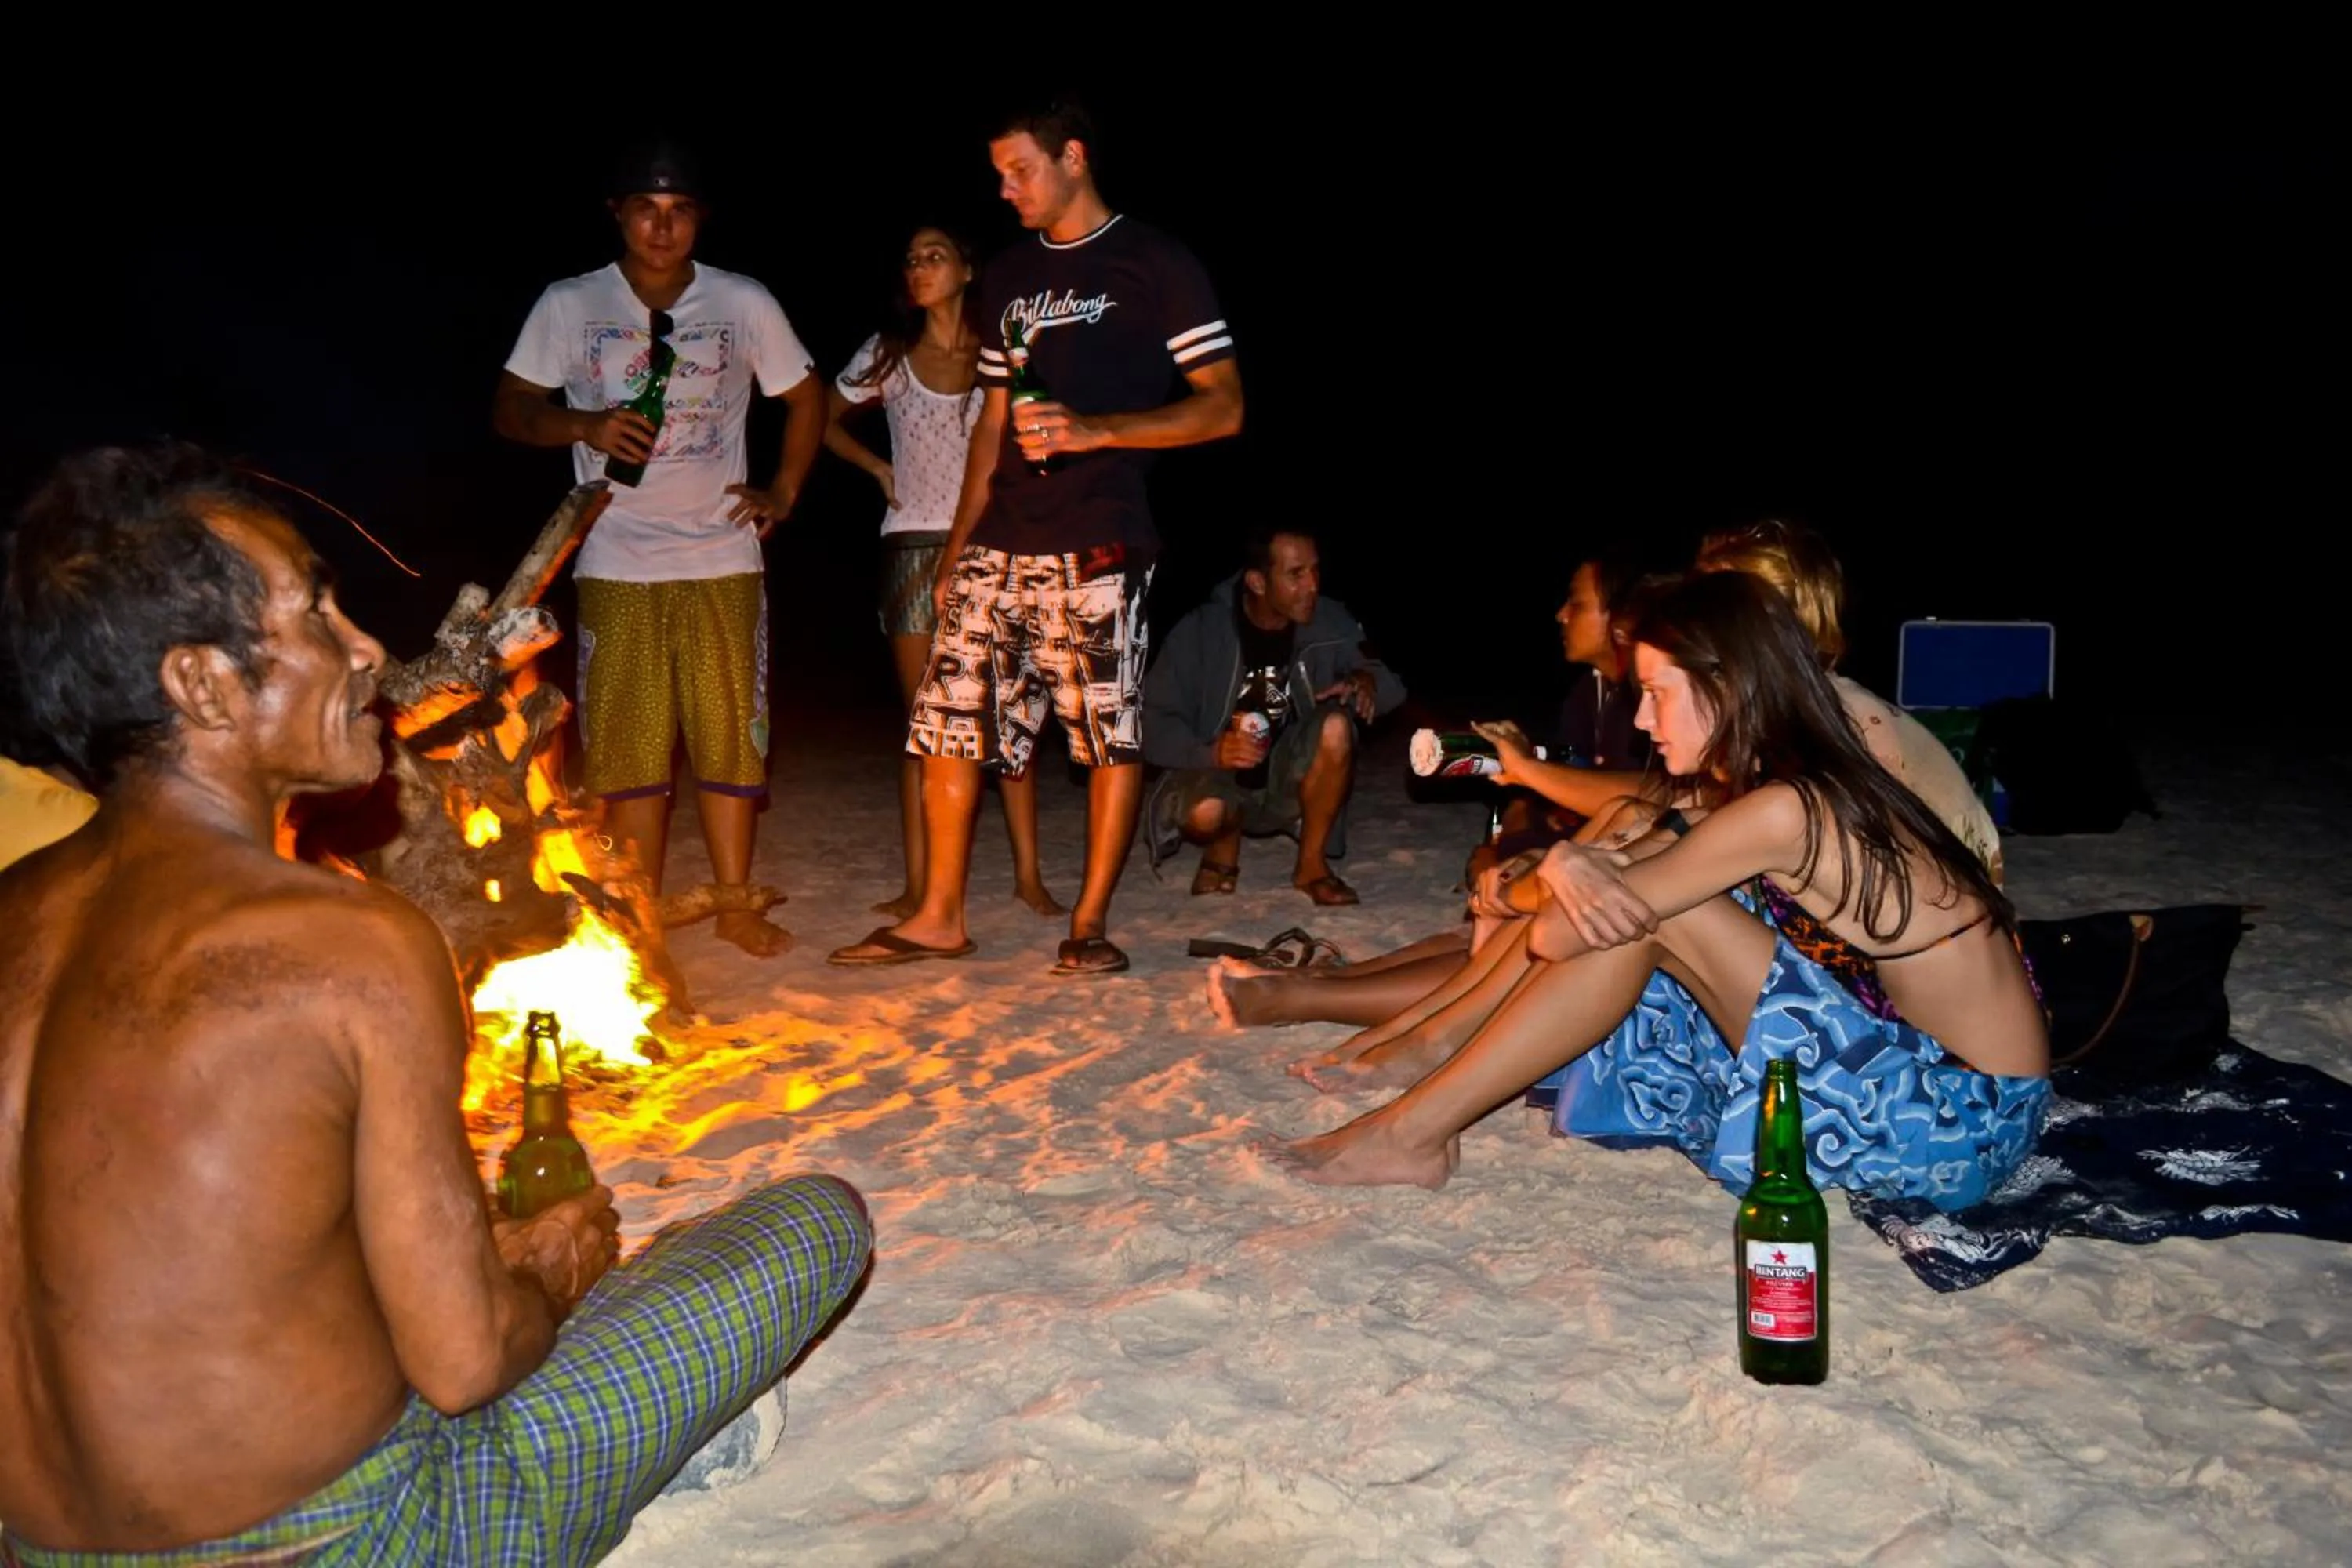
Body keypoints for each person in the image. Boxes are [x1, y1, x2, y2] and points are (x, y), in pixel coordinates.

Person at [0, 445, 873, 1562]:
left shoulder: (17, 910)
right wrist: (551, 1270)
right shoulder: (348, 938)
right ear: (202, 684)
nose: (367, 648)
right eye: (315, 612)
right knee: (808, 1225)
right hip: (359, 1538)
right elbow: (464, 1362)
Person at [1275, 570, 2050, 1203]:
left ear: (1729, 686)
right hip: (1917, 1064)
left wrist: (1564, 867)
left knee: (1655, 921)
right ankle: (1425, 1078)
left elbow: (1558, 935)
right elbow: (1632, 837)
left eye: (1660, 691)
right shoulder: (1785, 778)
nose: (1644, 718)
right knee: (1647, 898)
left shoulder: (1786, 809)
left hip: (1961, 1119)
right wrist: (1584, 863)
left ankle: (1412, 1131)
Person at [829, 96, 1243, 977]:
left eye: (1020, 169)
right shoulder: (1011, 275)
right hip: (999, 535)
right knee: (946, 723)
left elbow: (1223, 404)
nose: (1005, 188)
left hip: (1098, 535)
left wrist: (1100, 430)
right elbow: (990, 421)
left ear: (1075, 158)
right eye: (999, 174)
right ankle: (940, 914)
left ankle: (1088, 922)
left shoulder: (1155, 261)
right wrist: (955, 547)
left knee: (1102, 733)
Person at [494, 139, 823, 958]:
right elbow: (510, 409)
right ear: (619, 212)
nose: (662, 225)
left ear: (699, 218)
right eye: (646, 207)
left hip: (722, 554)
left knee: (729, 736)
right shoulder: (570, 305)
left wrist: (783, 489)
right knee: (630, 748)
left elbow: (805, 394)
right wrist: (584, 423)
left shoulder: (741, 301)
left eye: (679, 210)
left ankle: (736, 901)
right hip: (615, 554)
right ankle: (637, 917)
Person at [825, 224, 1062, 924]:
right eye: (910, 258)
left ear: (966, 268)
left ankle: (1028, 876)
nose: (919, 268)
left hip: (993, 547)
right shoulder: (888, 354)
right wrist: (874, 468)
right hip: (910, 548)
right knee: (923, 723)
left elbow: (1033, 432)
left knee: (1013, 714)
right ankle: (918, 883)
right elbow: (820, 417)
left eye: (934, 256)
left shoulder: (1001, 351)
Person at [1140, 525, 1405, 904]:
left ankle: (1311, 866)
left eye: (1315, 570)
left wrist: (1367, 682)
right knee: (1206, 812)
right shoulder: (1202, 631)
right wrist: (1212, 753)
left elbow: (1392, 684)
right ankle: (1223, 843)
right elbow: (1150, 722)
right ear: (1258, 582)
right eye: (1296, 574)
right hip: (1216, 779)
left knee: (1335, 726)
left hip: (1285, 781)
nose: (1312, 585)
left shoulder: (1330, 621)